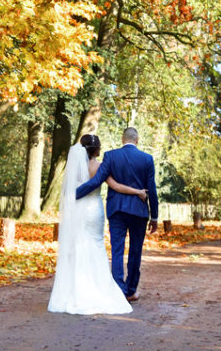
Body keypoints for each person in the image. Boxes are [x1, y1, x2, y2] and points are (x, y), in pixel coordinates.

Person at [47, 134, 148, 315]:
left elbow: (68, 190)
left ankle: (76, 290)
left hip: (78, 210)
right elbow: (116, 186)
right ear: (97, 149)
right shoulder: (99, 167)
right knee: (96, 244)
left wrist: (72, 196)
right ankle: (99, 289)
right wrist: (138, 191)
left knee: (78, 245)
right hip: (93, 209)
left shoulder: (73, 169)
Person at [74, 127, 158, 301]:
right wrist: (155, 216)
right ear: (137, 140)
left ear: (122, 139)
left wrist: (73, 195)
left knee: (117, 250)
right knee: (136, 251)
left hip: (116, 210)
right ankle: (131, 291)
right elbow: (152, 190)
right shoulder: (147, 159)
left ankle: (118, 289)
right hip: (139, 211)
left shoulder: (110, 156)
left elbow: (96, 181)